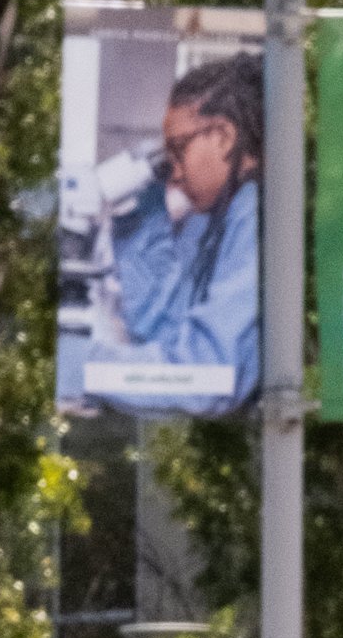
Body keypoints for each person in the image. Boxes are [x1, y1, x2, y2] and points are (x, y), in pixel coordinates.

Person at [106, 55, 263, 412]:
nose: (173, 174)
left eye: (178, 151)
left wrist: (85, 365)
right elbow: (159, 324)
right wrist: (141, 209)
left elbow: (208, 377)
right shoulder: (211, 218)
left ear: (224, 136)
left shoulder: (256, 219)